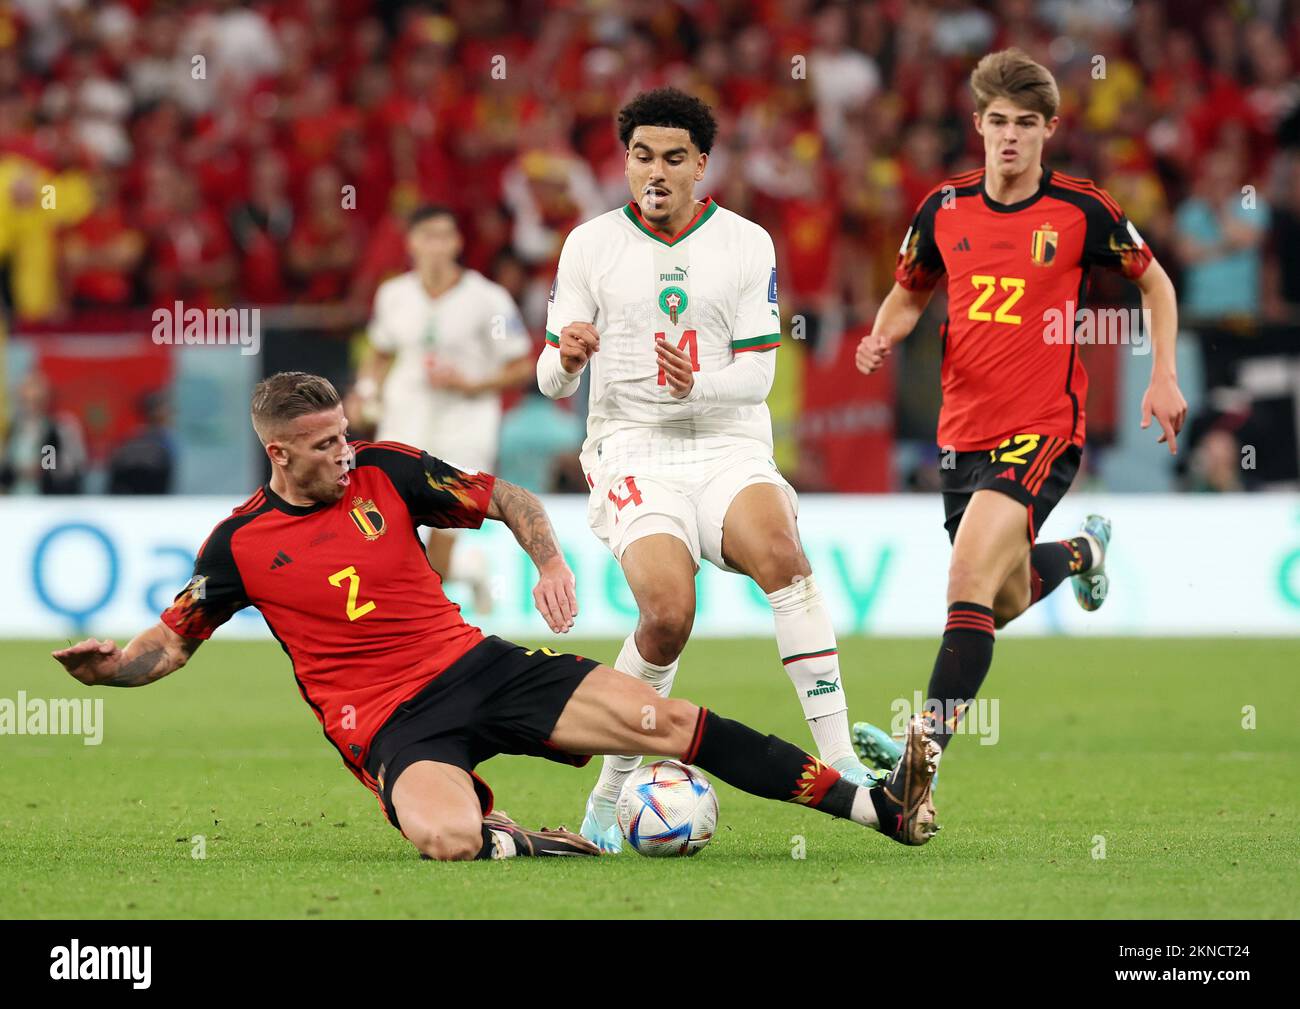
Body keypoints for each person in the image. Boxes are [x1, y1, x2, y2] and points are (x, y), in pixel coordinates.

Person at [51, 372, 942, 859]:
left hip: (476, 665)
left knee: (665, 721)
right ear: (279, 452)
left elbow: (507, 496)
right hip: (392, 725)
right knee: (443, 838)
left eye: (345, 432)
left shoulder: (388, 471)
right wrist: (111, 670)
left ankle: (874, 808)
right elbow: (169, 642)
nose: (344, 450)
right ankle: (511, 839)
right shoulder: (238, 544)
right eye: (324, 445)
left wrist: (547, 556)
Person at [536, 87, 880, 854]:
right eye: (639, 155)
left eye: (670, 157)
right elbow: (549, 382)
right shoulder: (590, 244)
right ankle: (607, 794)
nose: (653, 171)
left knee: (785, 557)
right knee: (665, 614)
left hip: (726, 442)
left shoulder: (746, 242)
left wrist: (698, 384)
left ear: (701, 164)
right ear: (625, 161)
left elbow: (758, 375)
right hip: (631, 448)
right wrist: (564, 358)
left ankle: (840, 755)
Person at [852, 49, 1187, 780]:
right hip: (960, 434)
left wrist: (1161, 373)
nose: (1009, 137)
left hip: (1043, 428)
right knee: (996, 601)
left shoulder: (1082, 210)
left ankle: (920, 759)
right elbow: (909, 292)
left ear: (1050, 130)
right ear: (977, 124)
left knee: (965, 578)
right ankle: (1084, 554)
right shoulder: (943, 208)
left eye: (1025, 124)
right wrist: (883, 334)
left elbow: (1155, 284)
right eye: (997, 121)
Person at [356, 205, 534, 612]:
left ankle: (462, 573)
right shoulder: (393, 295)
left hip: (465, 427)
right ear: (412, 243)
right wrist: (366, 390)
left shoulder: (488, 300)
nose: (436, 246)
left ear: (457, 242)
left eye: (445, 236)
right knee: (387, 533)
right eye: (427, 236)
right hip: (404, 422)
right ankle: (466, 574)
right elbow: (380, 352)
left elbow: (521, 364)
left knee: (439, 546)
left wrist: (473, 384)